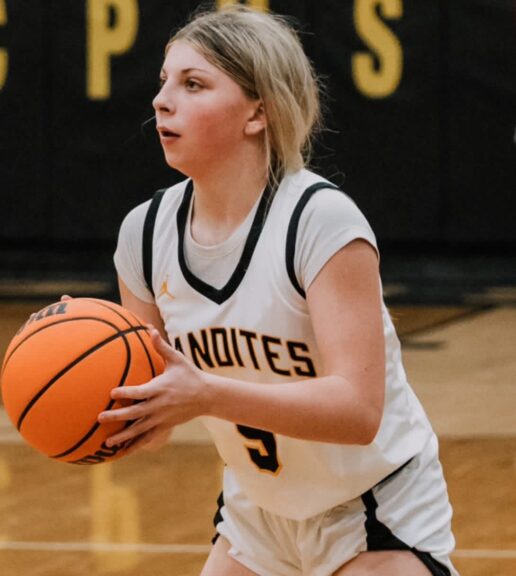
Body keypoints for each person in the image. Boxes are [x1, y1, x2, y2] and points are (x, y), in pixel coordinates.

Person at [97, 5, 458, 575]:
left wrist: (207, 395)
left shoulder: (320, 221)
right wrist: (89, 382)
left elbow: (357, 410)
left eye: (193, 84)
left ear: (258, 112)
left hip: (371, 508)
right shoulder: (144, 234)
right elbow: (156, 415)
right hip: (255, 515)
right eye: (164, 81)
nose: (162, 100)